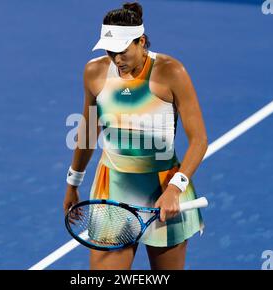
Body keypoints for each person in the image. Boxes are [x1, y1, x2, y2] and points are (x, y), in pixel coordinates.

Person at [63, 2, 208, 270]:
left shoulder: (171, 72)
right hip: (112, 191)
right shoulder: (94, 72)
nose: (117, 59)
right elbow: (87, 131)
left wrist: (175, 189)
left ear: (141, 41)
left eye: (122, 50)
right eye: (110, 51)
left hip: (164, 190)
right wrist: (73, 182)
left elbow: (199, 140)